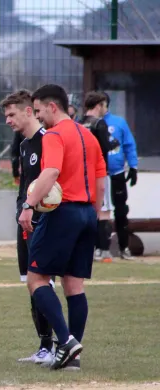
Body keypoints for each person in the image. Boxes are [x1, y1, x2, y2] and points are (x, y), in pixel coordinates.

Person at [20, 84, 106, 370]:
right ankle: (73, 358)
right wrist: (93, 214)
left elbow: (52, 171)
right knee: (74, 285)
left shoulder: (55, 134)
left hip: (63, 212)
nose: (39, 116)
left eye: (40, 110)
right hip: (87, 213)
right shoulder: (88, 135)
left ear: (52, 107)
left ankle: (66, 341)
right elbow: (100, 179)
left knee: (36, 279)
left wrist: (29, 204)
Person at [0, 89, 55, 365]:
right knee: (30, 285)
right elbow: (25, 186)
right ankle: (45, 346)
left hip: (44, 223)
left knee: (44, 283)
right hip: (24, 223)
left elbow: (53, 184)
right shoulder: (23, 145)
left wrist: (37, 210)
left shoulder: (48, 141)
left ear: (29, 111)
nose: (8, 120)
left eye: (11, 114)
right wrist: (22, 210)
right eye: (6, 116)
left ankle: (56, 345)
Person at [102, 92, 139, 260]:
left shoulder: (119, 123)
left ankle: (124, 248)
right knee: (99, 213)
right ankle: (99, 248)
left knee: (121, 210)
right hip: (99, 176)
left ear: (105, 104)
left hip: (117, 174)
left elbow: (129, 145)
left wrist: (133, 167)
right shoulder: (90, 124)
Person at [79, 91, 114, 263]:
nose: (105, 109)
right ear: (99, 105)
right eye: (105, 105)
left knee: (85, 210)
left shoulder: (78, 123)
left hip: (81, 174)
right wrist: (114, 143)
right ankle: (104, 250)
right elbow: (105, 148)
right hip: (99, 173)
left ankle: (86, 249)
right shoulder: (100, 124)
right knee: (103, 212)